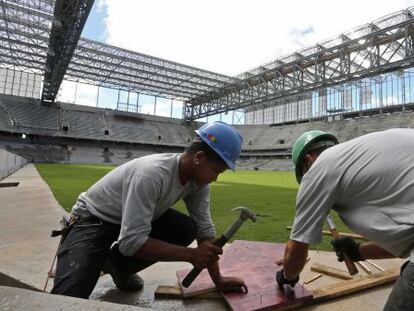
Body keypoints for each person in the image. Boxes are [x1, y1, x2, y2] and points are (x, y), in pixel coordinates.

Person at [51, 121, 248, 299]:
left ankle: (116, 266)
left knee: (186, 228)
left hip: (127, 219)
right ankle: (97, 258)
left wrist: (218, 280)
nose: (215, 178)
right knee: (69, 297)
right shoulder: (152, 175)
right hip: (93, 218)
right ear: (199, 157)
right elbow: (130, 242)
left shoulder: (198, 183)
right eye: (216, 171)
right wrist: (191, 255)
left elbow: (205, 232)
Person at [276, 129, 414, 310]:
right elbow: (407, 243)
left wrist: (288, 276)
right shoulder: (362, 154)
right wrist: (359, 251)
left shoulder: (319, 169)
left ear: (309, 160)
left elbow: (297, 248)